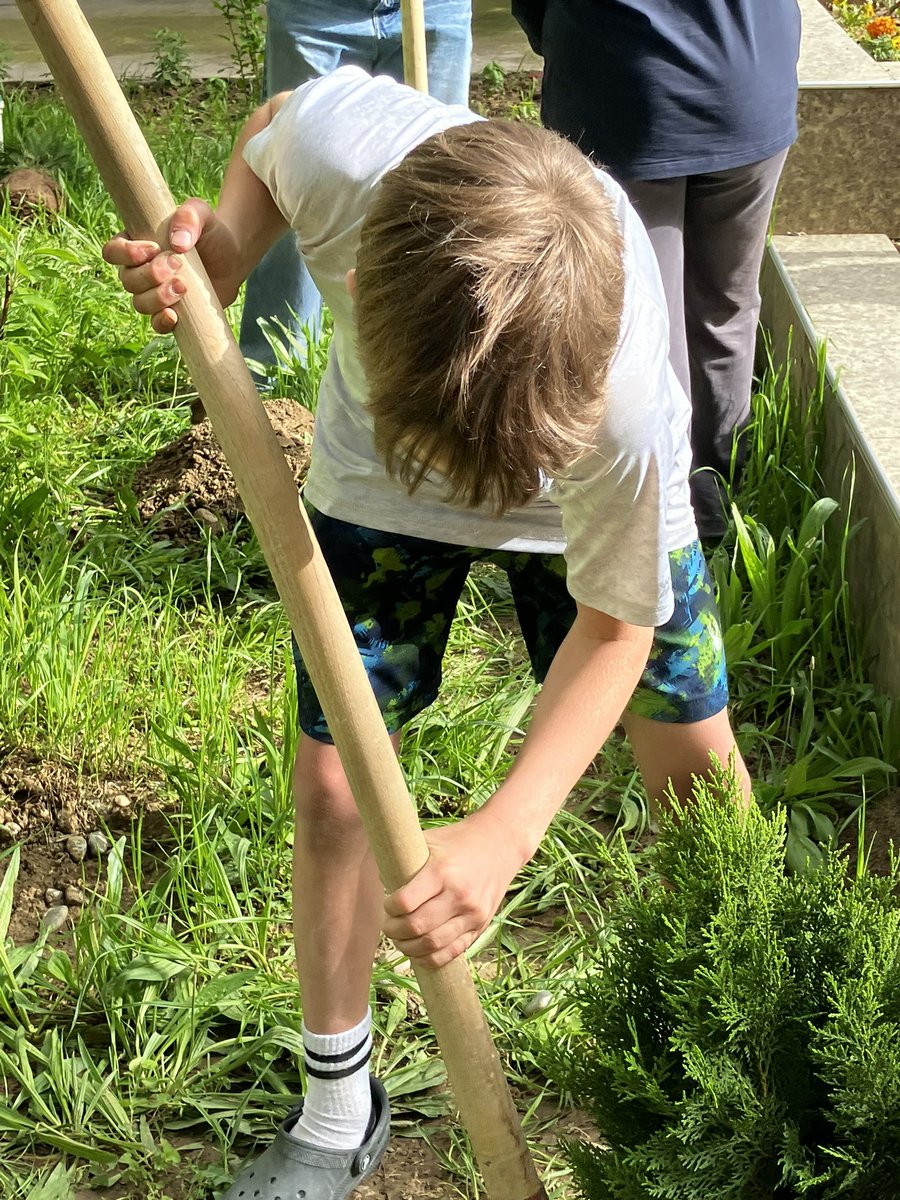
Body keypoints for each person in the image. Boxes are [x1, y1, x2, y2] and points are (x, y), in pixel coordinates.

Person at [104, 66, 751, 1200]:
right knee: (334, 788)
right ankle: (335, 1106)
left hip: (581, 509)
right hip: (376, 489)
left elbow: (616, 627)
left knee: (694, 771)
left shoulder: (629, 408)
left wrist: (504, 833)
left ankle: (752, 1044)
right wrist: (220, 257)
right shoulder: (344, 151)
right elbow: (262, 137)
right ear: (351, 279)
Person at [513, 0, 801, 543]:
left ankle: (665, 533)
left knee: (643, 321)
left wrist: (556, 38)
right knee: (727, 311)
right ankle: (719, 521)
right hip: (750, 76)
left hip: (621, 83)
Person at [239, 0, 472, 375]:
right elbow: (278, 123)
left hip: (436, 8)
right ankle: (271, 373)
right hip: (315, 10)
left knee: (441, 201)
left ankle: (430, 379)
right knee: (292, 186)